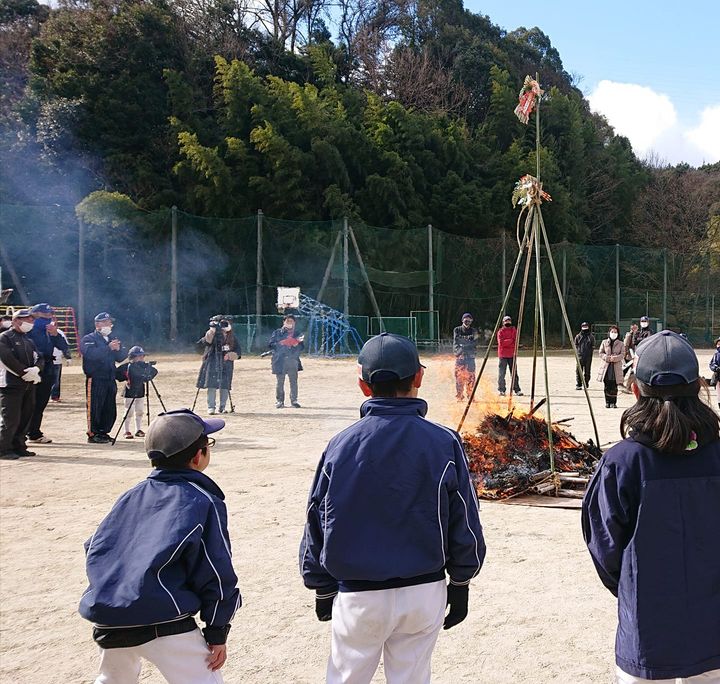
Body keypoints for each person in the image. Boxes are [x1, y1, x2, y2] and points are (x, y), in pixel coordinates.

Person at [300, 332, 486, 684]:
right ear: (418, 378)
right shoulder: (443, 442)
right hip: (423, 591)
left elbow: (317, 519)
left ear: (362, 385)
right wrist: (461, 582)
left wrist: (321, 586)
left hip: (358, 595)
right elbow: (465, 517)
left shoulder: (339, 446)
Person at [582, 330, 720, 683]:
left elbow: (603, 546)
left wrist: (636, 585)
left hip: (647, 630)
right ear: (699, 386)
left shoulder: (621, 462)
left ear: (635, 389)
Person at [79, 409, 241, 684]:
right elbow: (215, 571)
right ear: (198, 456)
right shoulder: (202, 500)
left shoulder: (130, 496)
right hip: (165, 620)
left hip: (109, 616)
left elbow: (95, 548)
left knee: (113, 679)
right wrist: (217, 632)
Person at [0, 309, 43, 460]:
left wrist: (37, 368)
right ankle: (4, 449)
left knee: (25, 417)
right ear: (17, 320)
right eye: (28, 320)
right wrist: (24, 373)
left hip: (28, 384)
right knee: (10, 418)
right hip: (11, 385)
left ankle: (19, 445)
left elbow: (39, 357)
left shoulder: (28, 340)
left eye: (32, 320)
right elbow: (6, 359)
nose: (31, 323)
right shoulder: (5, 337)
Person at [80, 312, 127, 444]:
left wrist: (119, 349)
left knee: (109, 407)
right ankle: (93, 433)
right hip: (95, 377)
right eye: (106, 322)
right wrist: (108, 348)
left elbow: (120, 358)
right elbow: (91, 355)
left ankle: (104, 431)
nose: (109, 325)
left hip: (110, 377)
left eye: (110, 322)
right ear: (97, 324)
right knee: (95, 406)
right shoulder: (89, 338)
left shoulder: (111, 338)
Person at [26, 303, 69, 443]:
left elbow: (64, 347)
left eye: (50, 314)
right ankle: (21, 433)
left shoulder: (50, 329)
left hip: (48, 367)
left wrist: (55, 334)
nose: (49, 317)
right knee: (27, 402)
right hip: (30, 367)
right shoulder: (28, 328)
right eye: (45, 314)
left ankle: (34, 432)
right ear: (35, 314)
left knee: (41, 402)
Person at [196, 316, 240, 415]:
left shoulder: (232, 337)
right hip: (212, 363)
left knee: (225, 386)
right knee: (211, 385)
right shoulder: (212, 335)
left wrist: (230, 355)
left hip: (226, 364)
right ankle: (211, 407)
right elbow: (201, 345)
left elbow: (238, 351)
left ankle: (222, 407)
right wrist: (211, 332)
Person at [115, 346, 158, 438]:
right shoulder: (126, 366)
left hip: (141, 391)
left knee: (140, 411)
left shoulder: (143, 365)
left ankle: (138, 429)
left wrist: (147, 375)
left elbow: (154, 371)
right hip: (130, 391)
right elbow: (117, 375)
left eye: (142, 356)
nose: (142, 358)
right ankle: (126, 430)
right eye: (140, 356)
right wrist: (127, 378)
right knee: (129, 411)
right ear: (133, 357)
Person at [269, 314, 305, 408]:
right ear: (284, 322)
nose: (289, 323)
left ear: (294, 323)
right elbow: (271, 344)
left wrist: (296, 345)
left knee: (293, 382)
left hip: (293, 360)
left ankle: (294, 401)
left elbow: (302, 347)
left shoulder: (298, 333)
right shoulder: (277, 332)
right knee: (280, 382)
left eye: (291, 321)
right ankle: (280, 401)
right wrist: (282, 343)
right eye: (287, 321)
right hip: (280, 360)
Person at [452, 313, 479, 401]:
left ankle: (470, 395)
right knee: (459, 376)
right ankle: (459, 395)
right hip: (460, 357)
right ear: (462, 320)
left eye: (469, 319)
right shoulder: (457, 329)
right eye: (465, 319)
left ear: (472, 321)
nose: (467, 321)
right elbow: (457, 340)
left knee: (471, 377)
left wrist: (463, 344)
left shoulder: (474, 331)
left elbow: (475, 342)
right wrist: (468, 341)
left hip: (470, 357)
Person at [597, 325, 624, 408]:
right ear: (609, 333)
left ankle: (613, 402)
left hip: (616, 368)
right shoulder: (604, 342)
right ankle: (607, 402)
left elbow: (622, 354)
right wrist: (607, 358)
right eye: (612, 332)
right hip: (606, 367)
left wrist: (615, 358)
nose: (613, 333)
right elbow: (600, 353)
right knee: (607, 385)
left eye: (615, 332)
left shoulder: (621, 343)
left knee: (614, 386)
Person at [497, 314, 522, 396]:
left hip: (512, 354)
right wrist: (511, 340)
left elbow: (516, 341)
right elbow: (501, 343)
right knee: (502, 374)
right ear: (503, 322)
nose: (507, 322)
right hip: (503, 355)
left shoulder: (514, 330)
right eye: (506, 321)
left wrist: (508, 341)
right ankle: (502, 390)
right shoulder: (500, 331)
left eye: (509, 320)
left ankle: (517, 389)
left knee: (514, 373)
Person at [50, 326, 71, 402]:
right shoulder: (41, 333)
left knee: (56, 380)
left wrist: (68, 357)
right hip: (44, 360)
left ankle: (55, 396)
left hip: (57, 360)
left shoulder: (59, 333)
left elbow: (65, 346)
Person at [573, 322, 595, 390]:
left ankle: (586, 383)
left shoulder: (591, 337)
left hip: (588, 357)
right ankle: (579, 384)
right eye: (583, 326)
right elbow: (575, 345)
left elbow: (593, 346)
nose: (585, 328)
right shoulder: (578, 336)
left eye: (586, 326)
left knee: (587, 371)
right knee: (578, 371)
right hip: (580, 356)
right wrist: (578, 352)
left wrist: (590, 353)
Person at [710, 335, 720, 411]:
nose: (719, 345)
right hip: (718, 376)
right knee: (719, 395)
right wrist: (716, 368)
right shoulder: (716, 353)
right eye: (718, 343)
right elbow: (711, 364)